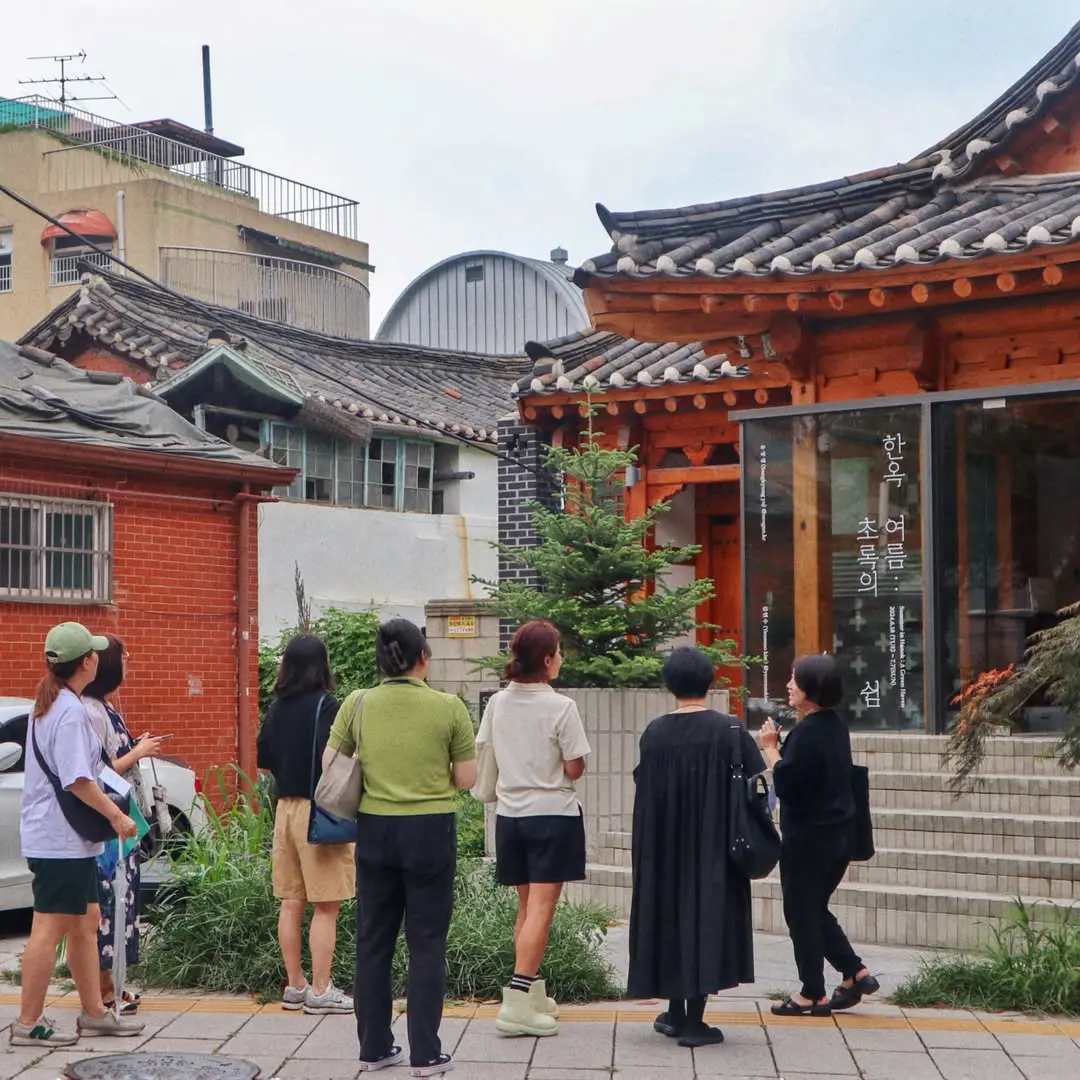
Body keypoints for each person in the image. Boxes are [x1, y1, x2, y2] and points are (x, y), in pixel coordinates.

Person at [324, 619, 477, 1077]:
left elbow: (331, 762)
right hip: (430, 830)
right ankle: (426, 1054)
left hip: (375, 829)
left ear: (381, 661)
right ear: (423, 657)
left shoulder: (358, 703)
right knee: (426, 942)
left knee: (373, 940)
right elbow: (466, 779)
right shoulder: (449, 707)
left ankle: (374, 1048)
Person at [13, 623, 145, 1047]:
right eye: (94, 654)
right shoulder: (68, 712)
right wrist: (117, 817)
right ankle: (27, 1022)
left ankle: (94, 1013)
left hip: (67, 839)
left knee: (87, 922)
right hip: (59, 841)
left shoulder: (55, 702)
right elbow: (78, 780)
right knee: (49, 928)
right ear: (86, 663)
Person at [627, 646, 762, 1048]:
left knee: (670, 917)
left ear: (669, 685)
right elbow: (757, 783)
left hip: (664, 848)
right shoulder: (729, 730)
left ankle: (675, 1012)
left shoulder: (654, 733)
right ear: (710, 681)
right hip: (714, 845)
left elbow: (644, 786)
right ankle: (693, 1022)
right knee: (705, 917)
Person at [475, 620, 590, 1038]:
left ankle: (533, 993)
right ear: (545, 660)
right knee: (541, 909)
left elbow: (486, 749)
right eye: (558, 652)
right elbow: (575, 768)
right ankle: (517, 1003)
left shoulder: (497, 703)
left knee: (526, 908)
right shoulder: (561, 706)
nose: (561, 659)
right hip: (552, 816)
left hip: (510, 817)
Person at [759, 654, 878, 1016]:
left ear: (811, 689)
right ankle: (855, 973)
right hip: (837, 837)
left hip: (809, 840)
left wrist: (770, 747)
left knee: (801, 913)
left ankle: (812, 993)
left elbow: (788, 783)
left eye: (795, 679)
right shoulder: (833, 725)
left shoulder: (809, 732)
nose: (788, 685)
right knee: (812, 910)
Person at [257, 633, 354, 1015]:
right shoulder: (327, 707)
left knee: (291, 902)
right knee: (326, 905)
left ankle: (295, 984)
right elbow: (337, 760)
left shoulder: (277, 708)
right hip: (320, 813)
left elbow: (264, 761)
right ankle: (321, 988)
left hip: (286, 810)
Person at [83, 634, 162, 1015]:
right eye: (124, 657)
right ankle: (103, 992)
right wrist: (138, 752)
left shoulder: (105, 705)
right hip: (107, 822)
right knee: (108, 904)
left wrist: (134, 746)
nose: (129, 662)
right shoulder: (92, 711)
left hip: (122, 819)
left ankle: (114, 985)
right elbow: (97, 772)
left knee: (123, 903)